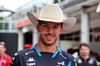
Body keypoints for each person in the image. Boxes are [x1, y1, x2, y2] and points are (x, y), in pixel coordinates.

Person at [10, 3, 77, 66]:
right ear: (38, 27)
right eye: (45, 26)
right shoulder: (20, 57)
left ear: (61, 30)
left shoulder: (69, 60)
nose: (50, 31)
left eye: (55, 27)